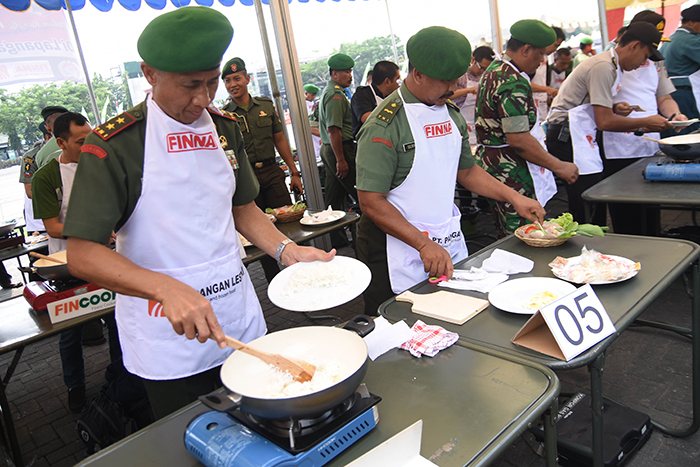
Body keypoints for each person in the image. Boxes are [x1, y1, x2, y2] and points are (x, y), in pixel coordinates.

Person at [62, 7, 333, 420]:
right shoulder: (116, 144)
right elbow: (82, 253)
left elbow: (242, 208)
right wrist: (163, 288)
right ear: (149, 73)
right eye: (190, 86)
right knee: (194, 434)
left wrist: (285, 250)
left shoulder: (224, 127)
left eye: (211, 83)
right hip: (167, 332)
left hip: (235, 313)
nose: (203, 99)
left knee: (262, 422)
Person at [355, 26, 546, 315]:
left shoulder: (449, 112)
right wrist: (422, 244)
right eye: (445, 81)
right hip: (393, 247)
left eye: (456, 80)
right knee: (395, 324)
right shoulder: (384, 125)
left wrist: (513, 197)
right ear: (417, 74)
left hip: (442, 238)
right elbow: (371, 201)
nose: (453, 89)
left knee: (449, 315)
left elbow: (467, 172)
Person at [31, 112, 120, 412]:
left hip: (107, 258)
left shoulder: (98, 165)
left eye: (91, 138)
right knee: (70, 333)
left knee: (117, 320)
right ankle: (75, 387)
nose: (89, 146)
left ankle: (121, 377)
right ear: (61, 142)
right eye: (82, 142)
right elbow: (53, 227)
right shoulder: (47, 176)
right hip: (67, 264)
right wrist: (96, 230)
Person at [546, 21, 674, 225]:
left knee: (592, 196)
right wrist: (644, 123)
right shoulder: (603, 66)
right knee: (588, 199)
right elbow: (604, 121)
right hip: (567, 133)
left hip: (579, 131)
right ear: (634, 46)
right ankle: (584, 248)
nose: (643, 63)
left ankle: (591, 245)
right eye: (645, 56)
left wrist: (615, 108)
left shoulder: (611, 65)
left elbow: (594, 107)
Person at [475, 20, 579, 237]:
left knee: (507, 232)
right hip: (510, 168)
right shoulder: (512, 81)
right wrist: (559, 166)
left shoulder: (495, 69)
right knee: (525, 234)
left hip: (494, 164)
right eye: (540, 54)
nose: (542, 61)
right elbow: (519, 140)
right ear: (526, 50)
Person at [600, 10, 685, 235]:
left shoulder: (655, 62)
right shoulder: (606, 60)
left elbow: (664, 97)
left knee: (650, 208)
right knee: (625, 211)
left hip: (650, 142)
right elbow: (598, 108)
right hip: (619, 143)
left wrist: (675, 115)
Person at [220, 57, 303, 283]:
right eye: (227, 81)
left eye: (236, 78)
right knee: (259, 231)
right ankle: (275, 280)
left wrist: (294, 172)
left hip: (272, 172)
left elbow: (280, 140)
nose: (232, 84)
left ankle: (300, 273)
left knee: (289, 223)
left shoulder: (266, 106)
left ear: (247, 79)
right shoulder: (225, 116)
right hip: (248, 180)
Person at [318, 53, 358, 246]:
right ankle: (369, 236)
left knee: (334, 198)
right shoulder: (335, 95)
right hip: (340, 149)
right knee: (361, 193)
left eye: (350, 71)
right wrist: (341, 160)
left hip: (332, 149)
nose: (350, 75)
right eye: (346, 72)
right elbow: (334, 129)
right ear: (334, 74)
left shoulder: (332, 91)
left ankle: (337, 240)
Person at [661, 4, 700, 135]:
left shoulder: (672, 37)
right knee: (690, 133)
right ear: (692, 22)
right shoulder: (690, 40)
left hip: (670, 93)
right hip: (683, 93)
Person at [450, 46, 496, 145]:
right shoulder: (461, 75)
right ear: (473, 60)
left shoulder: (485, 77)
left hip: (479, 126)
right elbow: (448, 95)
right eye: (481, 68)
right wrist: (469, 90)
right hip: (462, 125)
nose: (482, 71)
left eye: (486, 69)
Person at [351, 60, 401, 137]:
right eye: (397, 80)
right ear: (387, 81)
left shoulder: (394, 96)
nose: (399, 84)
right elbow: (367, 119)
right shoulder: (362, 95)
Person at [531, 26, 566, 121]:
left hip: (542, 107)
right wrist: (547, 90)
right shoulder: (531, 57)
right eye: (555, 45)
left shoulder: (545, 58)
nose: (555, 50)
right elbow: (524, 83)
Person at [304, 84, 322, 163]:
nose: (314, 97)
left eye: (315, 95)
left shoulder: (313, 103)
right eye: (312, 95)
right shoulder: (302, 104)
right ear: (306, 93)